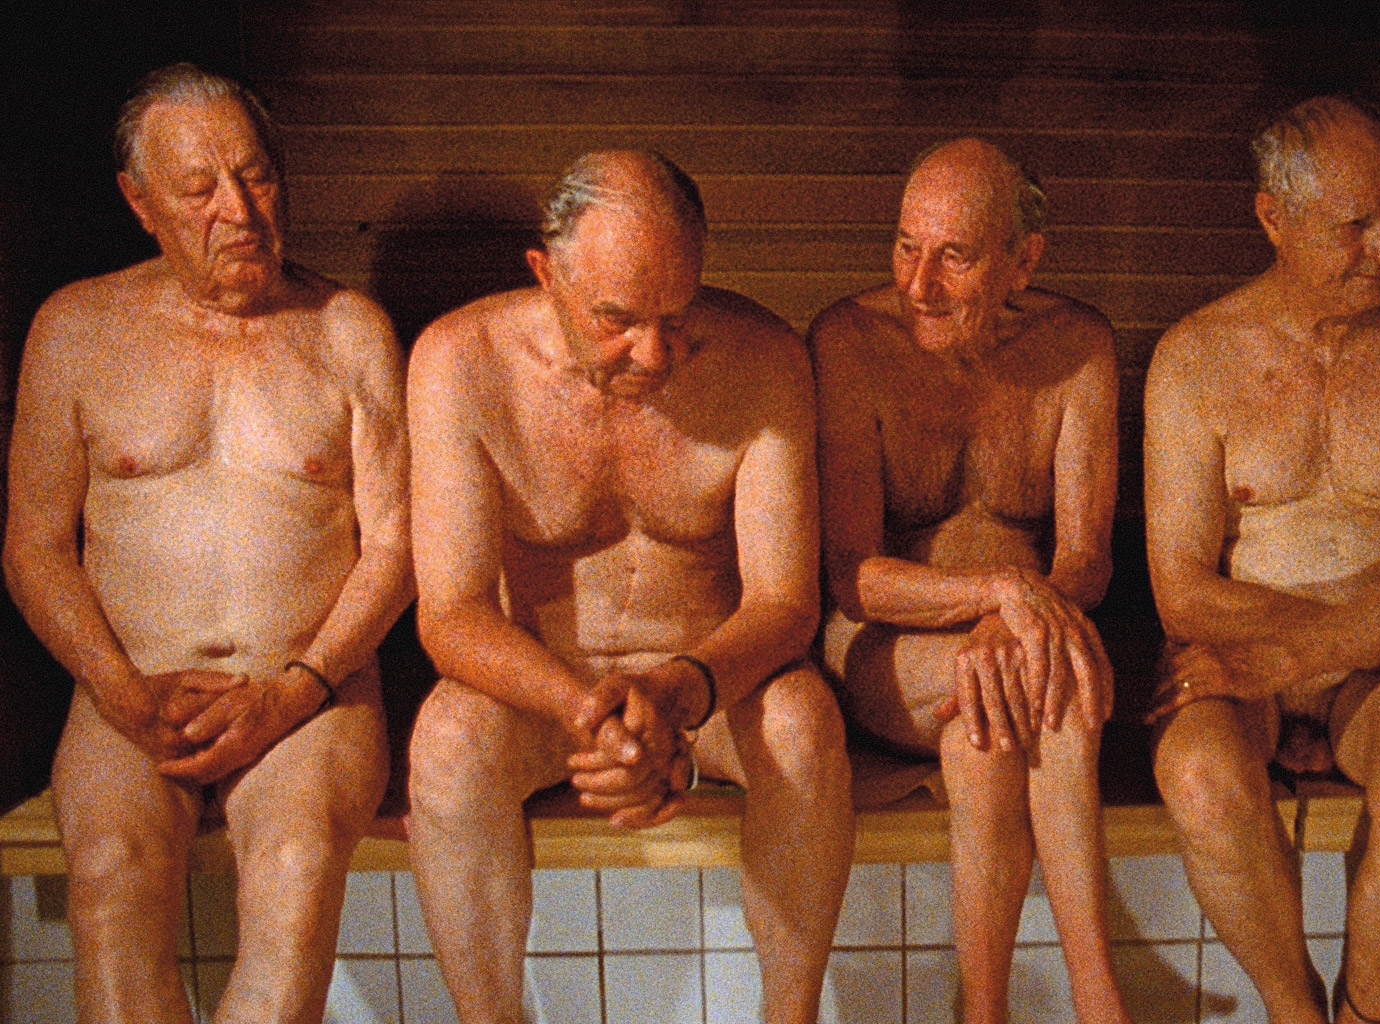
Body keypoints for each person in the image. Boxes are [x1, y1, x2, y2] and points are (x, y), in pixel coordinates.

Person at [404, 149, 852, 1024]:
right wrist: (586, 711)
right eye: (617, 319)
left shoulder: (762, 360)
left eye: (676, 316)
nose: (653, 352)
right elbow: (451, 615)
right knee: (447, 742)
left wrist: (677, 695)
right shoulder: (460, 362)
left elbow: (784, 602)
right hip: (546, 698)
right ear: (546, 274)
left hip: (709, 691)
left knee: (804, 724)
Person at [2, 63, 410, 1024]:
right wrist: (119, 689)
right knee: (111, 876)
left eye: (257, 175)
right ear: (139, 203)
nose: (240, 210)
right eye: (198, 189)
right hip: (131, 690)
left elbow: (397, 544)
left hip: (314, 695)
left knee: (297, 867)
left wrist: (297, 688)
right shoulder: (74, 328)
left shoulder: (350, 331)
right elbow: (34, 547)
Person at [1144, 96, 1380, 1024]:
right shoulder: (1193, 358)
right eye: (1355, 226)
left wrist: (1319, 651)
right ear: (1273, 217)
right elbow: (1181, 591)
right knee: (1200, 776)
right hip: (1256, 659)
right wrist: (1364, 635)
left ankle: (1367, 1012)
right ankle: (1294, 1011)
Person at [810, 137, 1131, 1024]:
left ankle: (1009, 1007)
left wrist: (1010, 618)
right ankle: (1098, 1001)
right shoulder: (851, 342)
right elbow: (852, 577)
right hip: (885, 641)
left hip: (1021, 637)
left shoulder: (1078, 347)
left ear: (1023, 261)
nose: (920, 285)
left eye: (954, 256)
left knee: (990, 736)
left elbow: (1087, 558)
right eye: (906, 247)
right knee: (1027, 685)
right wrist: (997, 596)